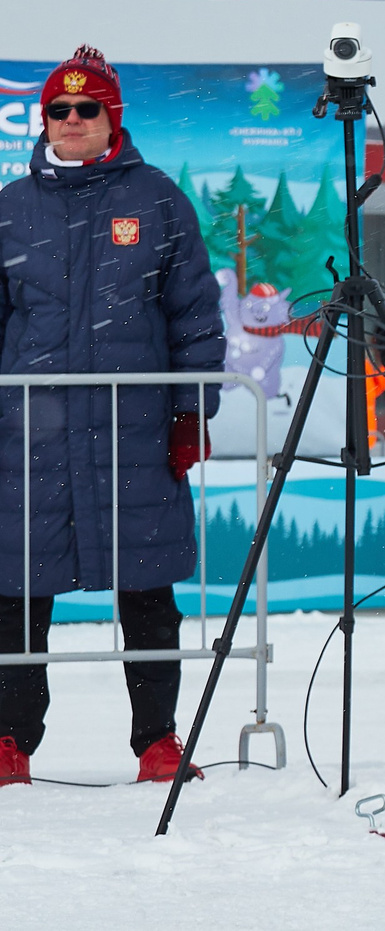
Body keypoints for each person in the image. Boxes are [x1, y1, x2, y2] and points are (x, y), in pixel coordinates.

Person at [0, 46, 225, 787]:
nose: (71, 120)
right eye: (59, 110)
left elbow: (194, 314)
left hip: (134, 435)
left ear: (111, 118)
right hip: (27, 441)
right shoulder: (10, 207)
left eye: (86, 108)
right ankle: (10, 742)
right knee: (15, 592)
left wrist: (191, 413)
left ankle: (157, 741)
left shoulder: (156, 198)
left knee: (149, 587)